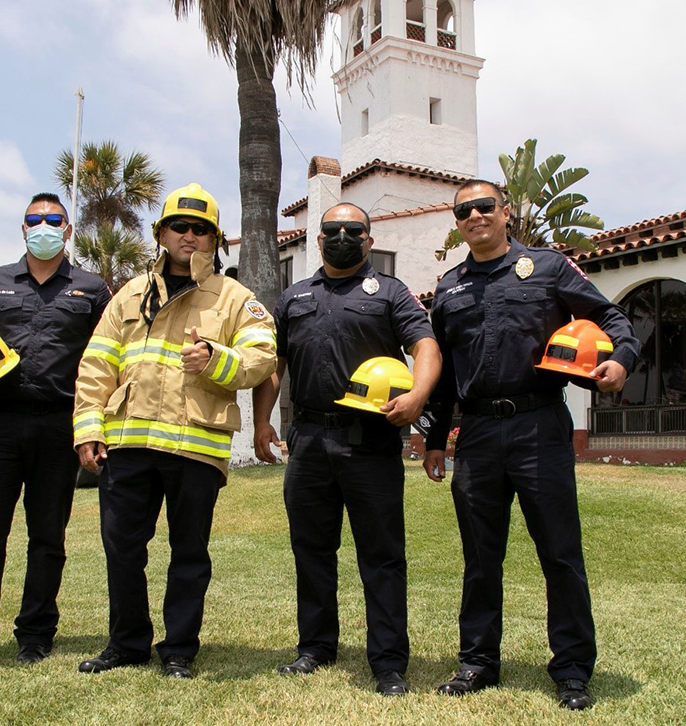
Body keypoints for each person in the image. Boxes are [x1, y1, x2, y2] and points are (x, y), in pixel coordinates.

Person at [423, 180, 640, 710]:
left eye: (484, 207)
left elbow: (612, 317)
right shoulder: (449, 288)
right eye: (464, 210)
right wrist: (434, 439)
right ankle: (477, 662)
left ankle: (571, 670)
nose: (475, 216)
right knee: (480, 556)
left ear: (506, 213)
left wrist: (620, 361)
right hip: (474, 434)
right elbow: (446, 372)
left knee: (560, 553)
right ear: (457, 221)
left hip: (538, 425)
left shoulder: (548, 268)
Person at [75, 183, 277, 678]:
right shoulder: (129, 293)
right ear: (161, 232)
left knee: (189, 553)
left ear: (216, 239)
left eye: (201, 230)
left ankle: (180, 650)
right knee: (121, 548)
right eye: (180, 227)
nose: (190, 236)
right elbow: (97, 363)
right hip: (129, 443)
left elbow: (262, 359)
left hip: (195, 446)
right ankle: (126, 644)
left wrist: (216, 359)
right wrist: (87, 428)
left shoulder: (235, 297)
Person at [253, 202, 442, 696]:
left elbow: (425, 345)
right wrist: (260, 422)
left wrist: (419, 395)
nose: (341, 236)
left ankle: (388, 661)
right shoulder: (294, 296)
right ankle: (315, 647)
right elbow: (274, 363)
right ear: (318, 240)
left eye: (352, 230)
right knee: (312, 550)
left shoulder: (392, 293)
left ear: (368, 239)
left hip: (370, 443)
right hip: (309, 441)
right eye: (332, 229)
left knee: (381, 555)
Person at [0, 192, 112, 667]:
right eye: (35, 220)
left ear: (68, 229)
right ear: (23, 228)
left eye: (54, 219)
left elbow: (111, 351)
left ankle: (35, 634)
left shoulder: (92, 289)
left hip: (58, 425)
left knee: (47, 536)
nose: (44, 226)